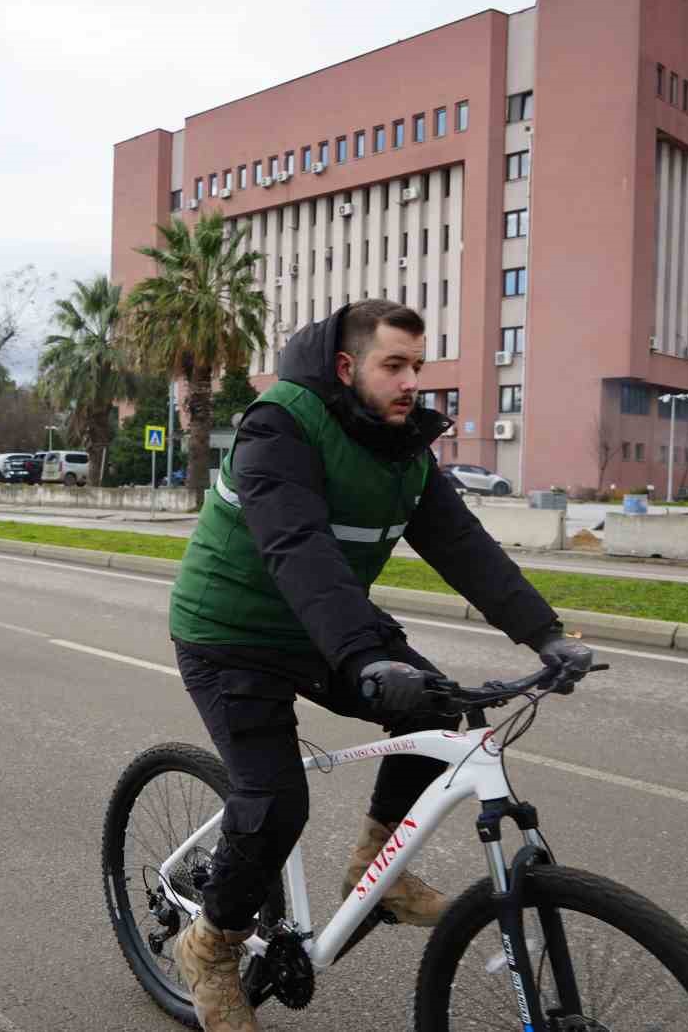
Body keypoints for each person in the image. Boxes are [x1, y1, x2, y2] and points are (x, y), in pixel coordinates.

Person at [166, 301, 588, 1031]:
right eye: (394, 365)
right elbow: (298, 547)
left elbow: (464, 546)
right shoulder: (280, 427)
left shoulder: (402, 450)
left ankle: (374, 866)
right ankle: (209, 947)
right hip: (229, 633)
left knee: (433, 703)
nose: (410, 383)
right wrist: (362, 657)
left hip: (320, 630)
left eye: (417, 368)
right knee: (275, 805)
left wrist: (545, 635)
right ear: (345, 367)